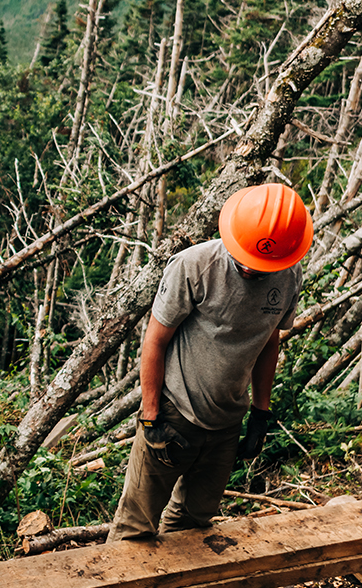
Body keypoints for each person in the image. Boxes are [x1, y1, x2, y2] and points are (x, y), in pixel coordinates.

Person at [109, 183, 311, 550]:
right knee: (135, 525)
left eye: (261, 265)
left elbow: (269, 342)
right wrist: (152, 417)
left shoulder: (288, 276)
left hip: (226, 421)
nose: (251, 269)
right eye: (245, 259)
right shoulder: (194, 266)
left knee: (193, 522)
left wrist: (260, 414)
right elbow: (155, 340)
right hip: (174, 410)